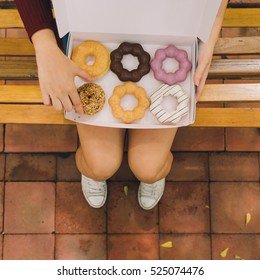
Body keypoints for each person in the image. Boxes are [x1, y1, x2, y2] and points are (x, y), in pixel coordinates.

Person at [14, 0, 229, 210]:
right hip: (89, 27)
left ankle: (149, 173)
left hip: (172, 30)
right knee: (100, 165)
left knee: (149, 168)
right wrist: (44, 44)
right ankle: (92, 171)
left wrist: (210, 31)